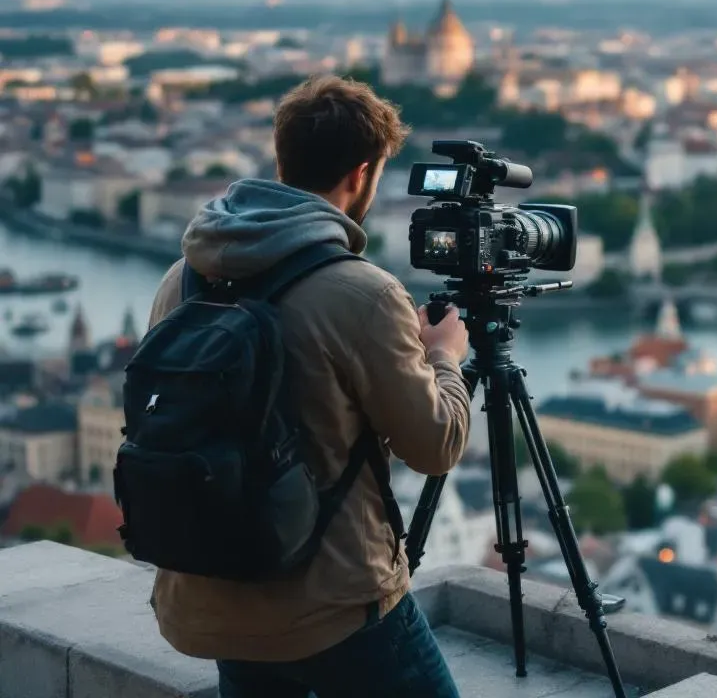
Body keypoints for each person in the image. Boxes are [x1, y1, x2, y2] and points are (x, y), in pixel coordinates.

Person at [143, 75, 472, 697]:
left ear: (281, 162)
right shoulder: (363, 293)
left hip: (216, 592)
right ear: (361, 174)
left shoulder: (183, 278)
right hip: (332, 606)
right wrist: (444, 356)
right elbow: (436, 447)